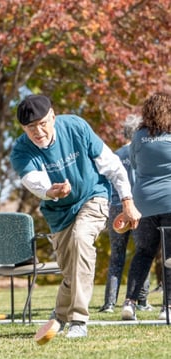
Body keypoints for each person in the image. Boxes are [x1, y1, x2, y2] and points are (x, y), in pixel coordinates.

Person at [10, 94, 141, 340]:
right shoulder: (21, 151)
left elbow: (112, 165)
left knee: (82, 240)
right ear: (23, 129)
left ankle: (78, 320)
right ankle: (59, 315)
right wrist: (51, 191)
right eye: (31, 127)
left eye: (42, 123)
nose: (38, 131)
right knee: (71, 272)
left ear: (53, 117)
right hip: (59, 212)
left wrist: (127, 202)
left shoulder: (76, 127)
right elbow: (35, 183)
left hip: (94, 195)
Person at [121, 91, 171, 321]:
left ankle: (129, 303)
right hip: (169, 200)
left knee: (143, 252)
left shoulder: (138, 136)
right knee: (170, 255)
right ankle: (167, 307)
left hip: (141, 202)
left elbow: (133, 164)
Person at [99, 114, 153, 313]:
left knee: (116, 256)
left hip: (115, 206)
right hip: (138, 208)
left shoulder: (115, 155)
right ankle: (141, 301)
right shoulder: (143, 152)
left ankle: (109, 303)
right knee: (143, 252)